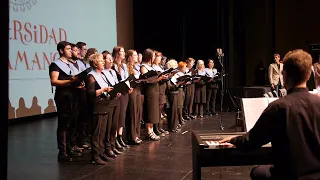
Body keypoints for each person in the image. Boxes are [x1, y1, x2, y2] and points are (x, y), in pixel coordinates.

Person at [220, 49, 320, 180]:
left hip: (289, 176)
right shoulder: (318, 103)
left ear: (284, 75)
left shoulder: (278, 107)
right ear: (308, 75)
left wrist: (234, 139)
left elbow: (251, 142)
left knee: (257, 172)